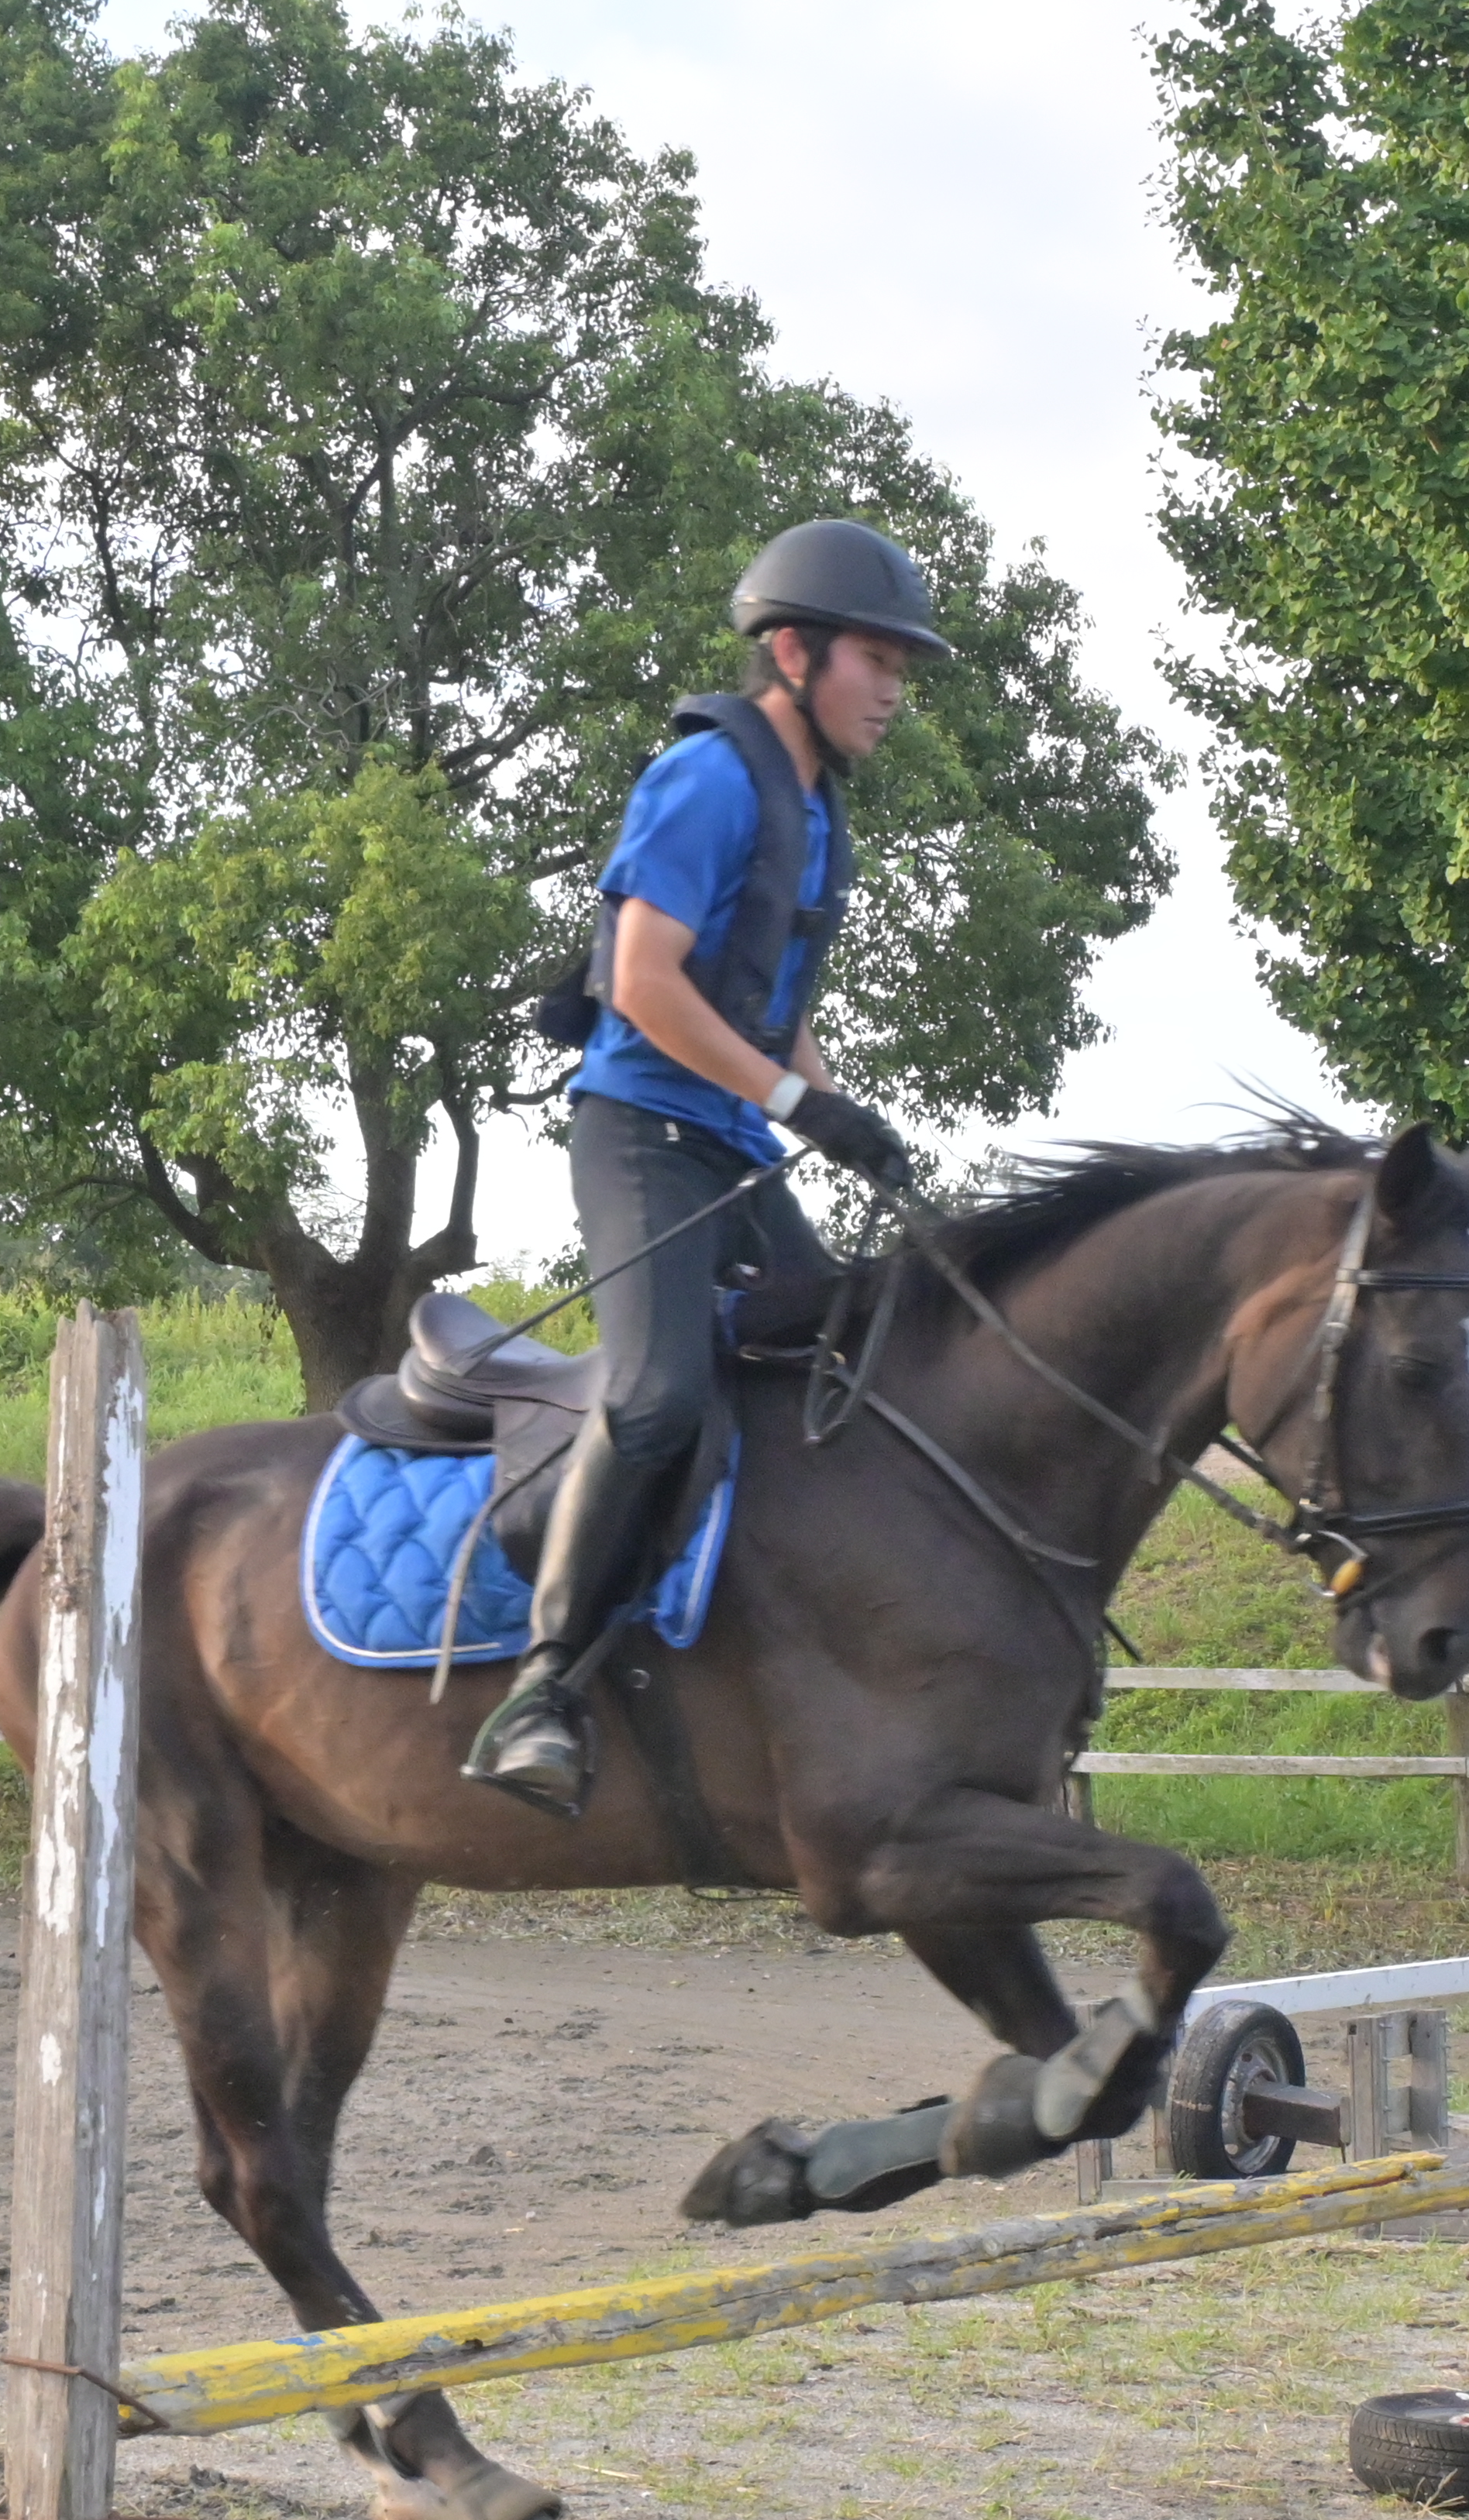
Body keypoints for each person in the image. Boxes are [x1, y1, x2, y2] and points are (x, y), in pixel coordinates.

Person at [463, 517, 947, 1813]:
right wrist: (794, 1103)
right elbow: (642, 982)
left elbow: (774, 1012)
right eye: (878, 660)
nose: (895, 689)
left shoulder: (816, 813)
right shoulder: (707, 779)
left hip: (732, 1143)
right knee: (661, 1393)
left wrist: (842, 1115)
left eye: (904, 666)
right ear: (793, 652)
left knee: (855, 1363)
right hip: (641, 1135)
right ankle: (541, 1688)